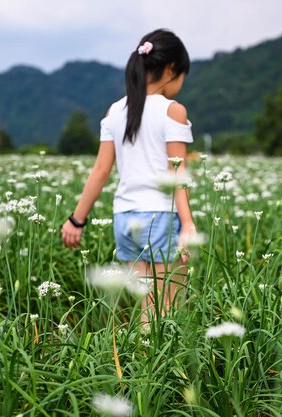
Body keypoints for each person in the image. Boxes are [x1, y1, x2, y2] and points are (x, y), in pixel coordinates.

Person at [61, 29, 196, 328]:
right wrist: (187, 224)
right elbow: (177, 172)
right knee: (168, 310)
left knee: (147, 305)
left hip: (124, 218)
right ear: (171, 69)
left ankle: (137, 364)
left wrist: (76, 219)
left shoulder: (115, 110)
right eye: (182, 75)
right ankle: (155, 372)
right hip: (159, 216)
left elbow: (100, 171)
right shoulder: (173, 111)